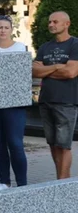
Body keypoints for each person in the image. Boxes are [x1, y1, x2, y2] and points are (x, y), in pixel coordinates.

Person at [32, 11, 78, 180]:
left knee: (64, 145)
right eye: (50, 22)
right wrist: (58, 66)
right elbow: (34, 70)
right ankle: (59, 179)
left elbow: (71, 72)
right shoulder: (45, 47)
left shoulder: (75, 45)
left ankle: (63, 181)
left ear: (67, 24)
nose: (51, 24)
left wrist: (46, 70)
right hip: (46, 101)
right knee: (52, 143)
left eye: (55, 22)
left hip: (66, 102)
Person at [0, 16, 28, 189]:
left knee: (15, 143)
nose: (2, 30)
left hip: (14, 103)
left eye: (6, 27)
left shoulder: (19, 48)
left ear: (11, 29)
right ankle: (4, 180)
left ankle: (22, 182)